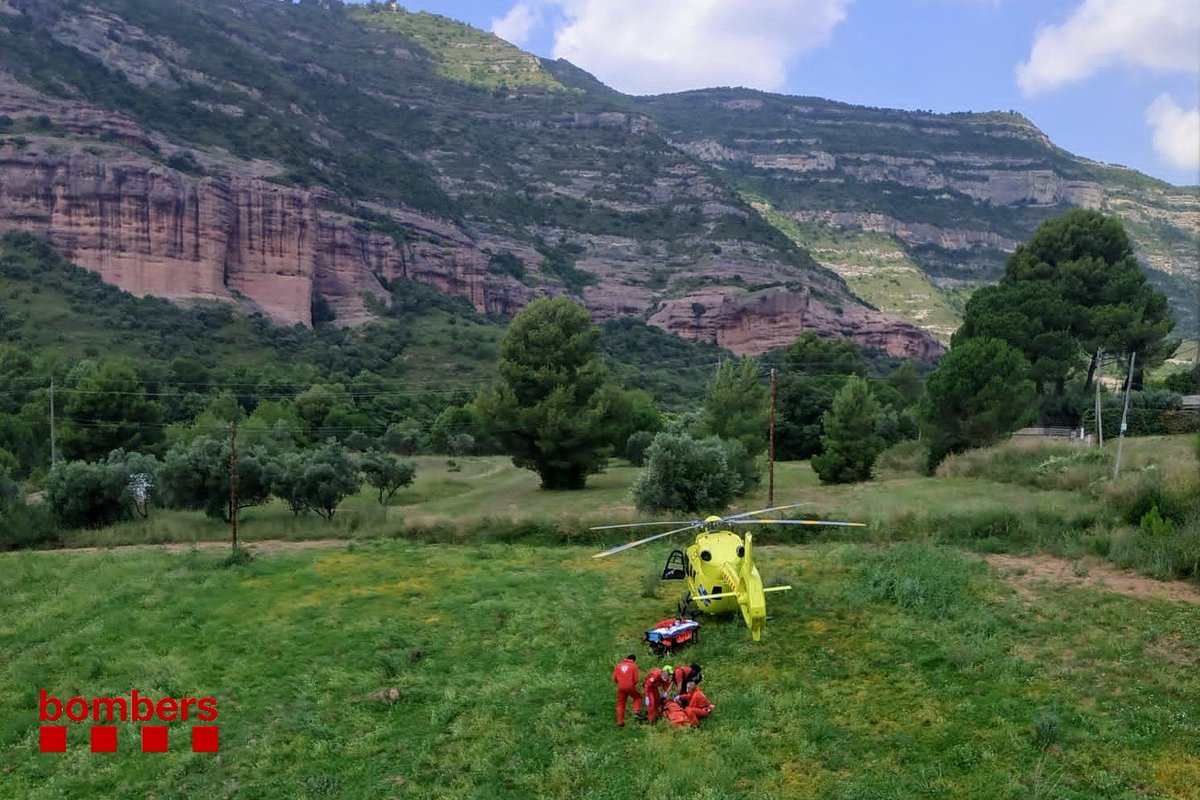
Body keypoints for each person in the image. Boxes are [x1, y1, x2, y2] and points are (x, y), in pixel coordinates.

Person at [611, 653, 642, 727]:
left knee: (620, 704)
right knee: (637, 697)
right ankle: (636, 711)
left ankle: (620, 722)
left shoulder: (618, 665)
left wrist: (620, 683)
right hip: (630, 686)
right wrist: (632, 685)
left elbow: (614, 678)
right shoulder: (634, 666)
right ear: (633, 660)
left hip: (620, 686)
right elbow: (636, 679)